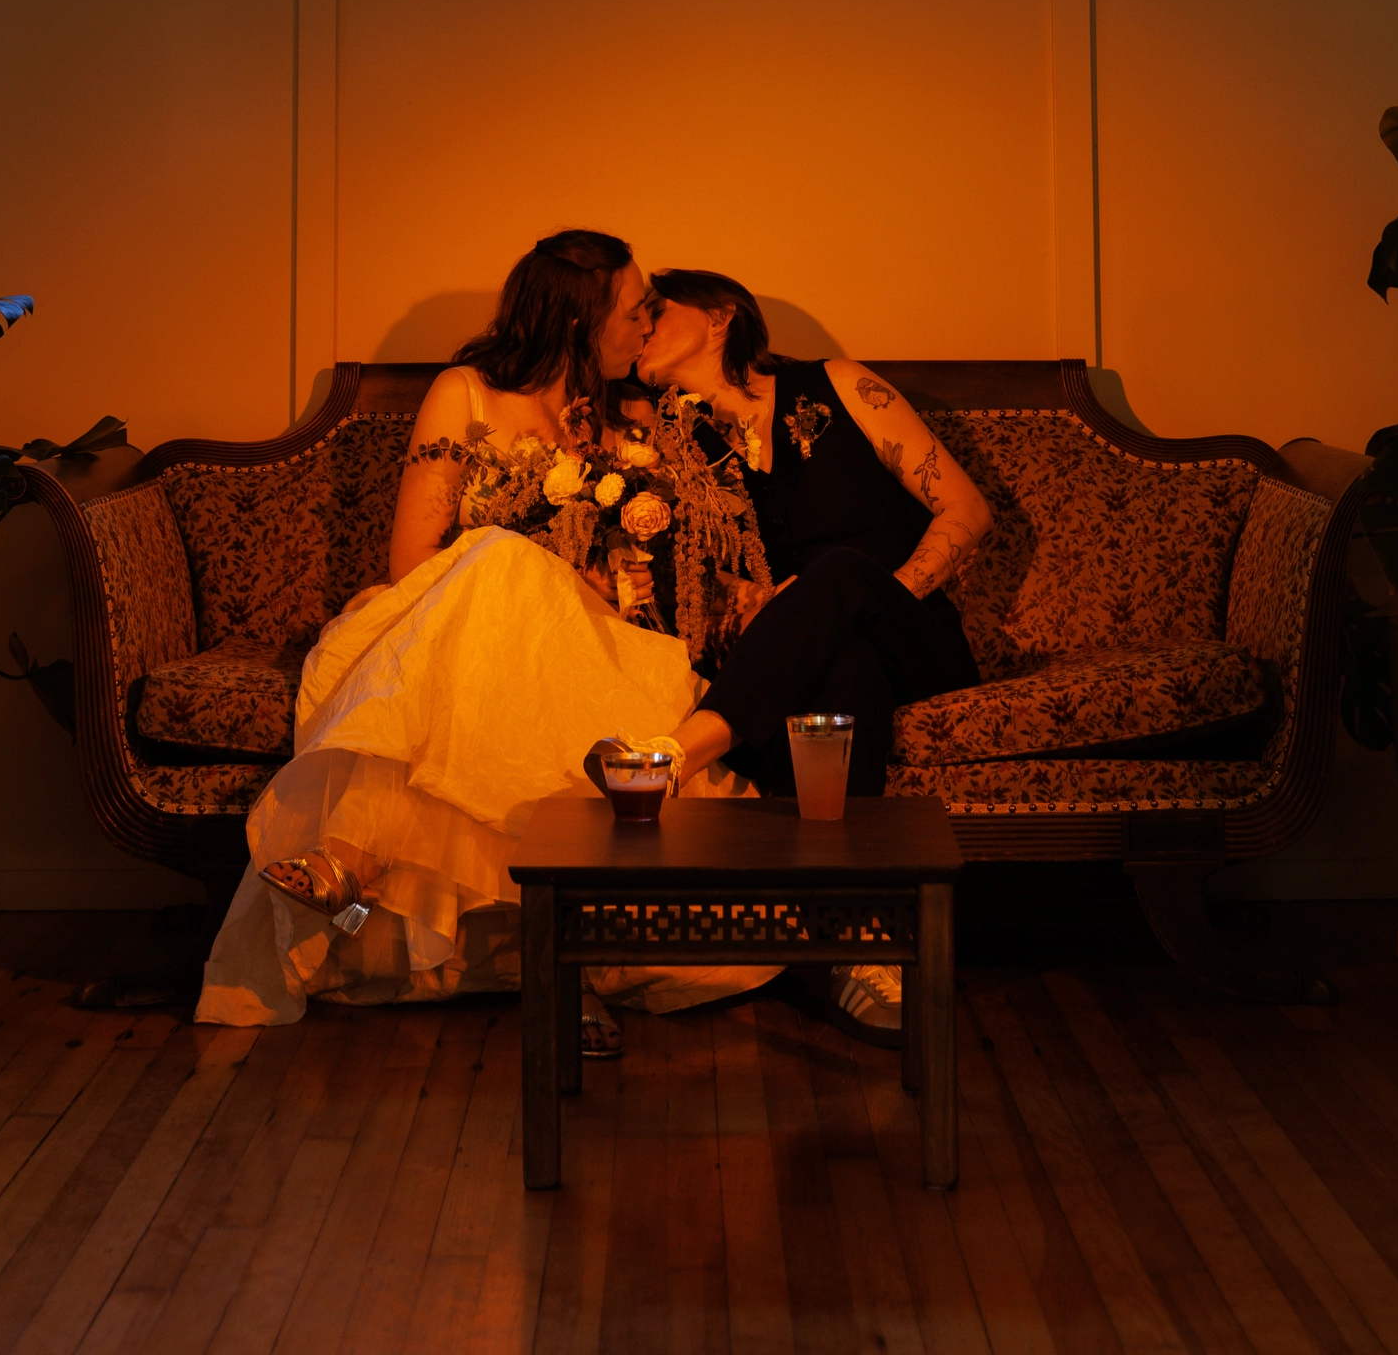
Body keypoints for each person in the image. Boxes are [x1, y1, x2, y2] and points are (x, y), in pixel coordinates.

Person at [196, 230, 774, 1042]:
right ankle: (558, 974)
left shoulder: (632, 419)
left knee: (516, 608)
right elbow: (414, 561)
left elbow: (675, 559)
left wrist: (618, 581)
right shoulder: (464, 393)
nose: (646, 327)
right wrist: (536, 574)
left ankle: (353, 858)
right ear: (582, 321)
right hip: (445, 620)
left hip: (588, 641)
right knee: (498, 574)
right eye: (634, 312)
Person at [587, 268, 993, 1038]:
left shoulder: (838, 386)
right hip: (816, 666)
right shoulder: (679, 446)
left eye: (657, 312)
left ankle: (676, 753)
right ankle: (861, 942)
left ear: (719, 317)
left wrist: (871, 593)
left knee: (840, 577)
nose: (640, 329)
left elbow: (967, 510)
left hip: (917, 636)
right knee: (844, 673)